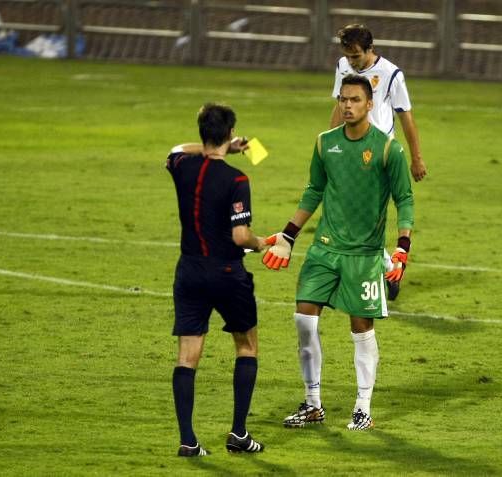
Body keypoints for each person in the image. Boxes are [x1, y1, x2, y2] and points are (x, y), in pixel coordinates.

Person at [262, 74, 414, 430]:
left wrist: (402, 248)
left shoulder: (388, 149)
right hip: (324, 250)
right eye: (343, 99)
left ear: (369, 104)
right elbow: (314, 190)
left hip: (364, 255)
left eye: (355, 100)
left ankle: (363, 407)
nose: (347, 105)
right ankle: (313, 404)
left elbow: (404, 199)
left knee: (361, 328)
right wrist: (288, 235)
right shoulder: (324, 143)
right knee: (304, 320)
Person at [166, 103, 267, 456]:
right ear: (230, 134)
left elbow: (176, 150)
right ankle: (239, 434)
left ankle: (188, 441)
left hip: (189, 271)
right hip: (226, 273)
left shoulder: (182, 166)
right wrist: (262, 243)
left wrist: (213, 145)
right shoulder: (237, 179)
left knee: (187, 355)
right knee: (246, 345)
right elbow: (241, 236)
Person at [329, 24, 425, 301]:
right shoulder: (342, 66)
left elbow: (406, 117)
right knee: (355, 215)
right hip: (349, 151)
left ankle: (386, 267)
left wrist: (416, 158)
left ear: (370, 49)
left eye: (356, 56)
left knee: (364, 215)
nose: (351, 62)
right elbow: (339, 106)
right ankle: (389, 268)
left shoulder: (391, 74)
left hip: (380, 153)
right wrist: (327, 144)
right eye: (347, 56)